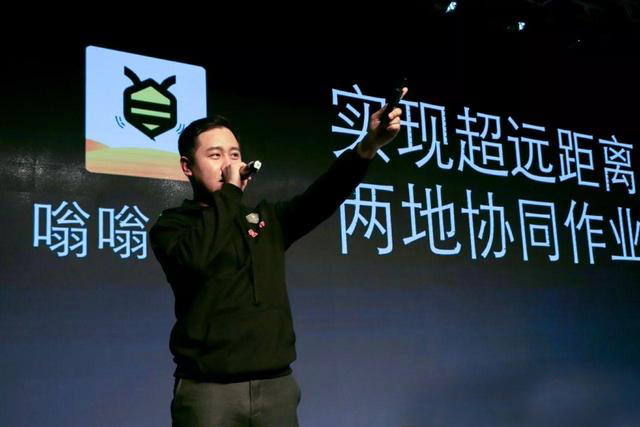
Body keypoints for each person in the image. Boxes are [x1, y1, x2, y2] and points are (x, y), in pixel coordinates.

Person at [150, 89, 406, 426]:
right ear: (187, 166)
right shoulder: (172, 226)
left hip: (276, 389)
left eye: (235, 154)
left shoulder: (265, 220)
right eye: (215, 155)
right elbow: (199, 256)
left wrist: (368, 146)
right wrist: (230, 192)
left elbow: (322, 197)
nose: (229, 164)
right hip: (208, 393)